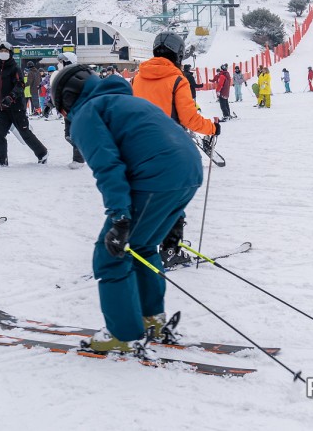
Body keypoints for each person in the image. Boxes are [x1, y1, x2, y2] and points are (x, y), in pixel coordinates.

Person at [50, 64, 203, 354]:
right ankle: (151, 318)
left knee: (110, 254)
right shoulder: (128, 100)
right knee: (143, 246)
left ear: (67, 100)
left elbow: (108, 166)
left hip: (157, 178)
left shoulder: (86, 114)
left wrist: (120, 216)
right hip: (189, 172)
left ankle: (123, 333)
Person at [131, 32, 218, 138]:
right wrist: (213, 128)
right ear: (179, 55)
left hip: (138, 141)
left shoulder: (135, 80)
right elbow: (189, 119)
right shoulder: (178, 81)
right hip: (167, 142)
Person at [0, 42, 48, 167]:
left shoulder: (15, 68)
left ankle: (42, 153)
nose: (3, 53)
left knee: (24, 133)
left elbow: (20, 85)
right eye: (1, 51)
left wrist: (10, 97)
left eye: (6, 51)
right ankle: (1, 160)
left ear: (10, 53)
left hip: (16, 108)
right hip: (2, 109)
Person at [53, 51, 85, 168]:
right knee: (68, 135)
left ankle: (79, 160)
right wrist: (50, 105)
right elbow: (57, 93)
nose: (59, 64)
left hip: (77, 110)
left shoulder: (78, 75)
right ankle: (84, 151)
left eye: (62, 62)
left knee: (75, 135)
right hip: (67, 111)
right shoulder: (62, 76)